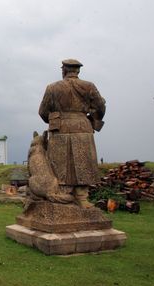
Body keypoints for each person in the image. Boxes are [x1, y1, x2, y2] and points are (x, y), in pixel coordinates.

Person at [38, 59, 106, 208]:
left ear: (64, 70)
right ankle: (82, 198)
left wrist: (54, 119)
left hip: (60, 128)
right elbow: (100, 107)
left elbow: (43, 112)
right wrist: (93, 118)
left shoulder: (52, 88)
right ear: (78, 71)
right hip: (83, 127)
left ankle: (63, 194)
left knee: (60, 163)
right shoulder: (89, 86)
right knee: (83, 161)